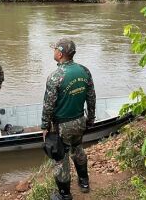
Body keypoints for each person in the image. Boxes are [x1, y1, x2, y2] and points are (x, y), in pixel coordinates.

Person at [41, 38, 96, 200]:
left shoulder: (55, 76)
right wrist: (90, 118)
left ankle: (64, 195)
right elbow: (91, 97)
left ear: (60, 53)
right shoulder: (84, 71)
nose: (53, 52)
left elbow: (48, 106)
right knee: (78, 149)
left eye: (54, 50)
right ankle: (84, 182)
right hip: (80, 121)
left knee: (61, 159)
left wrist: (44, 126)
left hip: (62, 126)